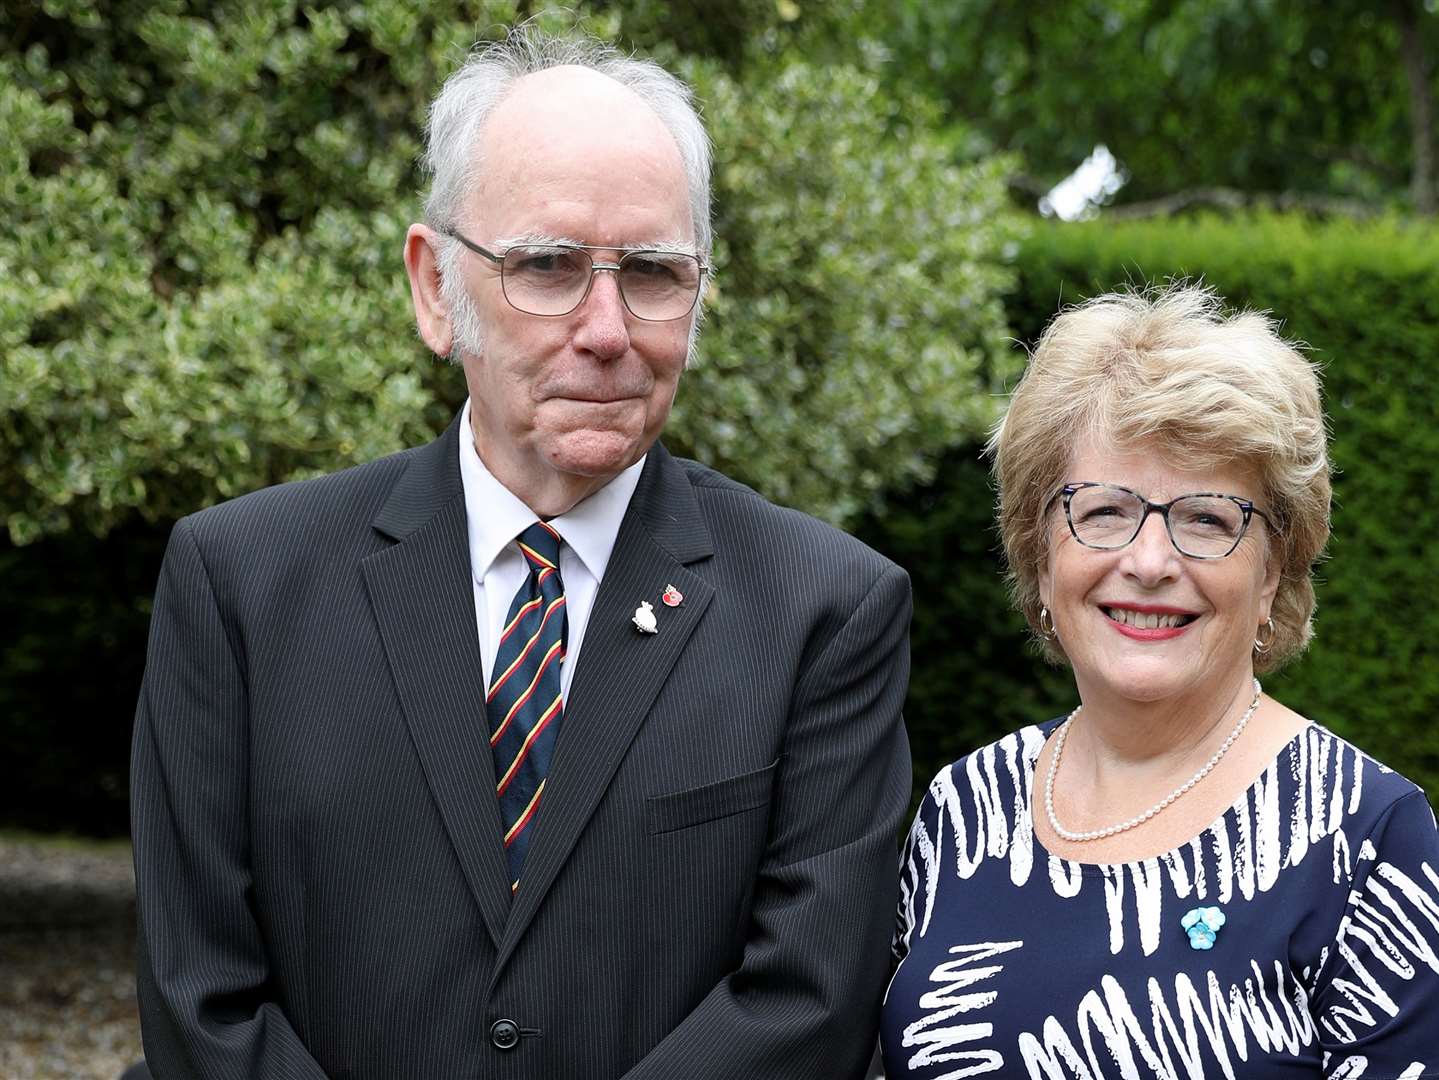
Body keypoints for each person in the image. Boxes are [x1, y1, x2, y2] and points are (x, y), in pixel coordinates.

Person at [129, 26, 911, 1080]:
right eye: (546, 266)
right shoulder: (242, 587)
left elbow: (805, 1006)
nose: (605, 327)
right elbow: (199, 1001)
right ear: (431, 287)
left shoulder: (824, 611)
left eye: (651, 271)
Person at [880, 286, 1439, 1078]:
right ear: (1040, 553)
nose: (1147, 561)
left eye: (1206, 519)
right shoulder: (964, 809)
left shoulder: (1366, 840)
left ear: (1272, 572)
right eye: (1102, 510)